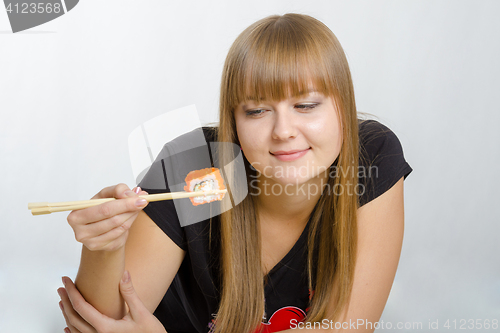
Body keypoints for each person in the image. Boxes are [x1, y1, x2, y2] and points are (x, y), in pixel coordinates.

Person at [57, 13, 412, 333]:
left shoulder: (372, 155)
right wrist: (104, 245)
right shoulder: (190, 165)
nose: (283, 131)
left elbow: (348, 328)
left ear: (343, 106)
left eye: (306, 105)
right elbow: (99, 325)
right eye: (257, 111)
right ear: (234, 122)